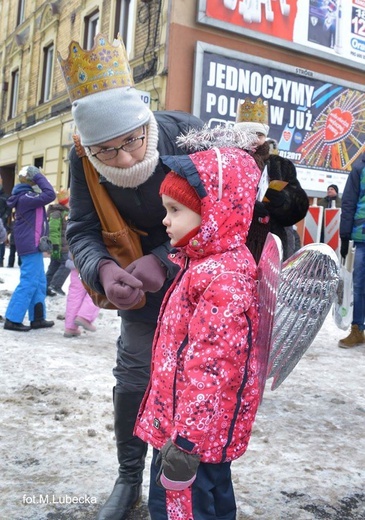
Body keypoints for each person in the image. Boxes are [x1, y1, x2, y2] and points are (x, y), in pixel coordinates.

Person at [57, 32, 204, 520]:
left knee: (188, 382)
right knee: (134, 378)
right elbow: (80, 226)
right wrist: (100, 269)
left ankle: (174, 478)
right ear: (87, 146)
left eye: (132, 141)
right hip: (137, 294)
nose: (123, 159)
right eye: (106, 151)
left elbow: (227, 212)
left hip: (199, 287)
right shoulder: (85, 159)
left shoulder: (186, 134)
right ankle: (127, 478)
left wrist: (165, 259)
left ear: (146, 121)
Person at [134, 143, 262, 519]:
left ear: (214, 213)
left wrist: (186, 443)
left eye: (175, 210)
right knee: (212, 503)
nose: (165, 221)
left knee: (183, 510)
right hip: (189, 432)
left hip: (189, 441)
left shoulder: (222, 278)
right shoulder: (202, 264)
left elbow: (213, 369)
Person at [235, 98, 309, 262]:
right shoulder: (230, 162)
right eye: (248, 134)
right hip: (238, 239)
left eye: (259, 135)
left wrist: (283, 202)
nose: (254, 139)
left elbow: (297, 206)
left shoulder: (280, 165)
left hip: (273, 239)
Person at [3, 166, 56, 332]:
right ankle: (12, 319)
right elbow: (50, 194)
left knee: (40, 282)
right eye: (36, 179)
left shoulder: (28, 197)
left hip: (34, 245)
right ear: (31, 181)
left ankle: (37, 318)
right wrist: (39, 176)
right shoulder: (26, 197)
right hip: (30, 245)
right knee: (29, 281)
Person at [338, 155, 365, 349]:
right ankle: (357, 329)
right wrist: (345, 234)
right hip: (362, 235)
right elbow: (349, 201)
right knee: (360, 284)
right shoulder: (359, 168)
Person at [64, 252, 100, 337]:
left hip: (76, 261)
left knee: (75, 295)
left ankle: (70, 327)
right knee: (96, 290)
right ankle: (85, 316)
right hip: (92, 262)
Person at [45, 189, 70, 296]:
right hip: (60, 246)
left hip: (63, 246)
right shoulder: (56, 213)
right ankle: (55, 285)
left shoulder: (65, 212)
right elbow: (53, 231)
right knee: (67, 265)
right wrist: (55, 246)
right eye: (69, 201)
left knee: (54, 266)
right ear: (65, 202)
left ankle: (45, 287)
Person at [0, 178, 11, 267]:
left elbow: (8, 210)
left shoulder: (6, 196)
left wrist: (4, 218)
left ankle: (0, 261)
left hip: (2, 223)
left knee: (1, 242)